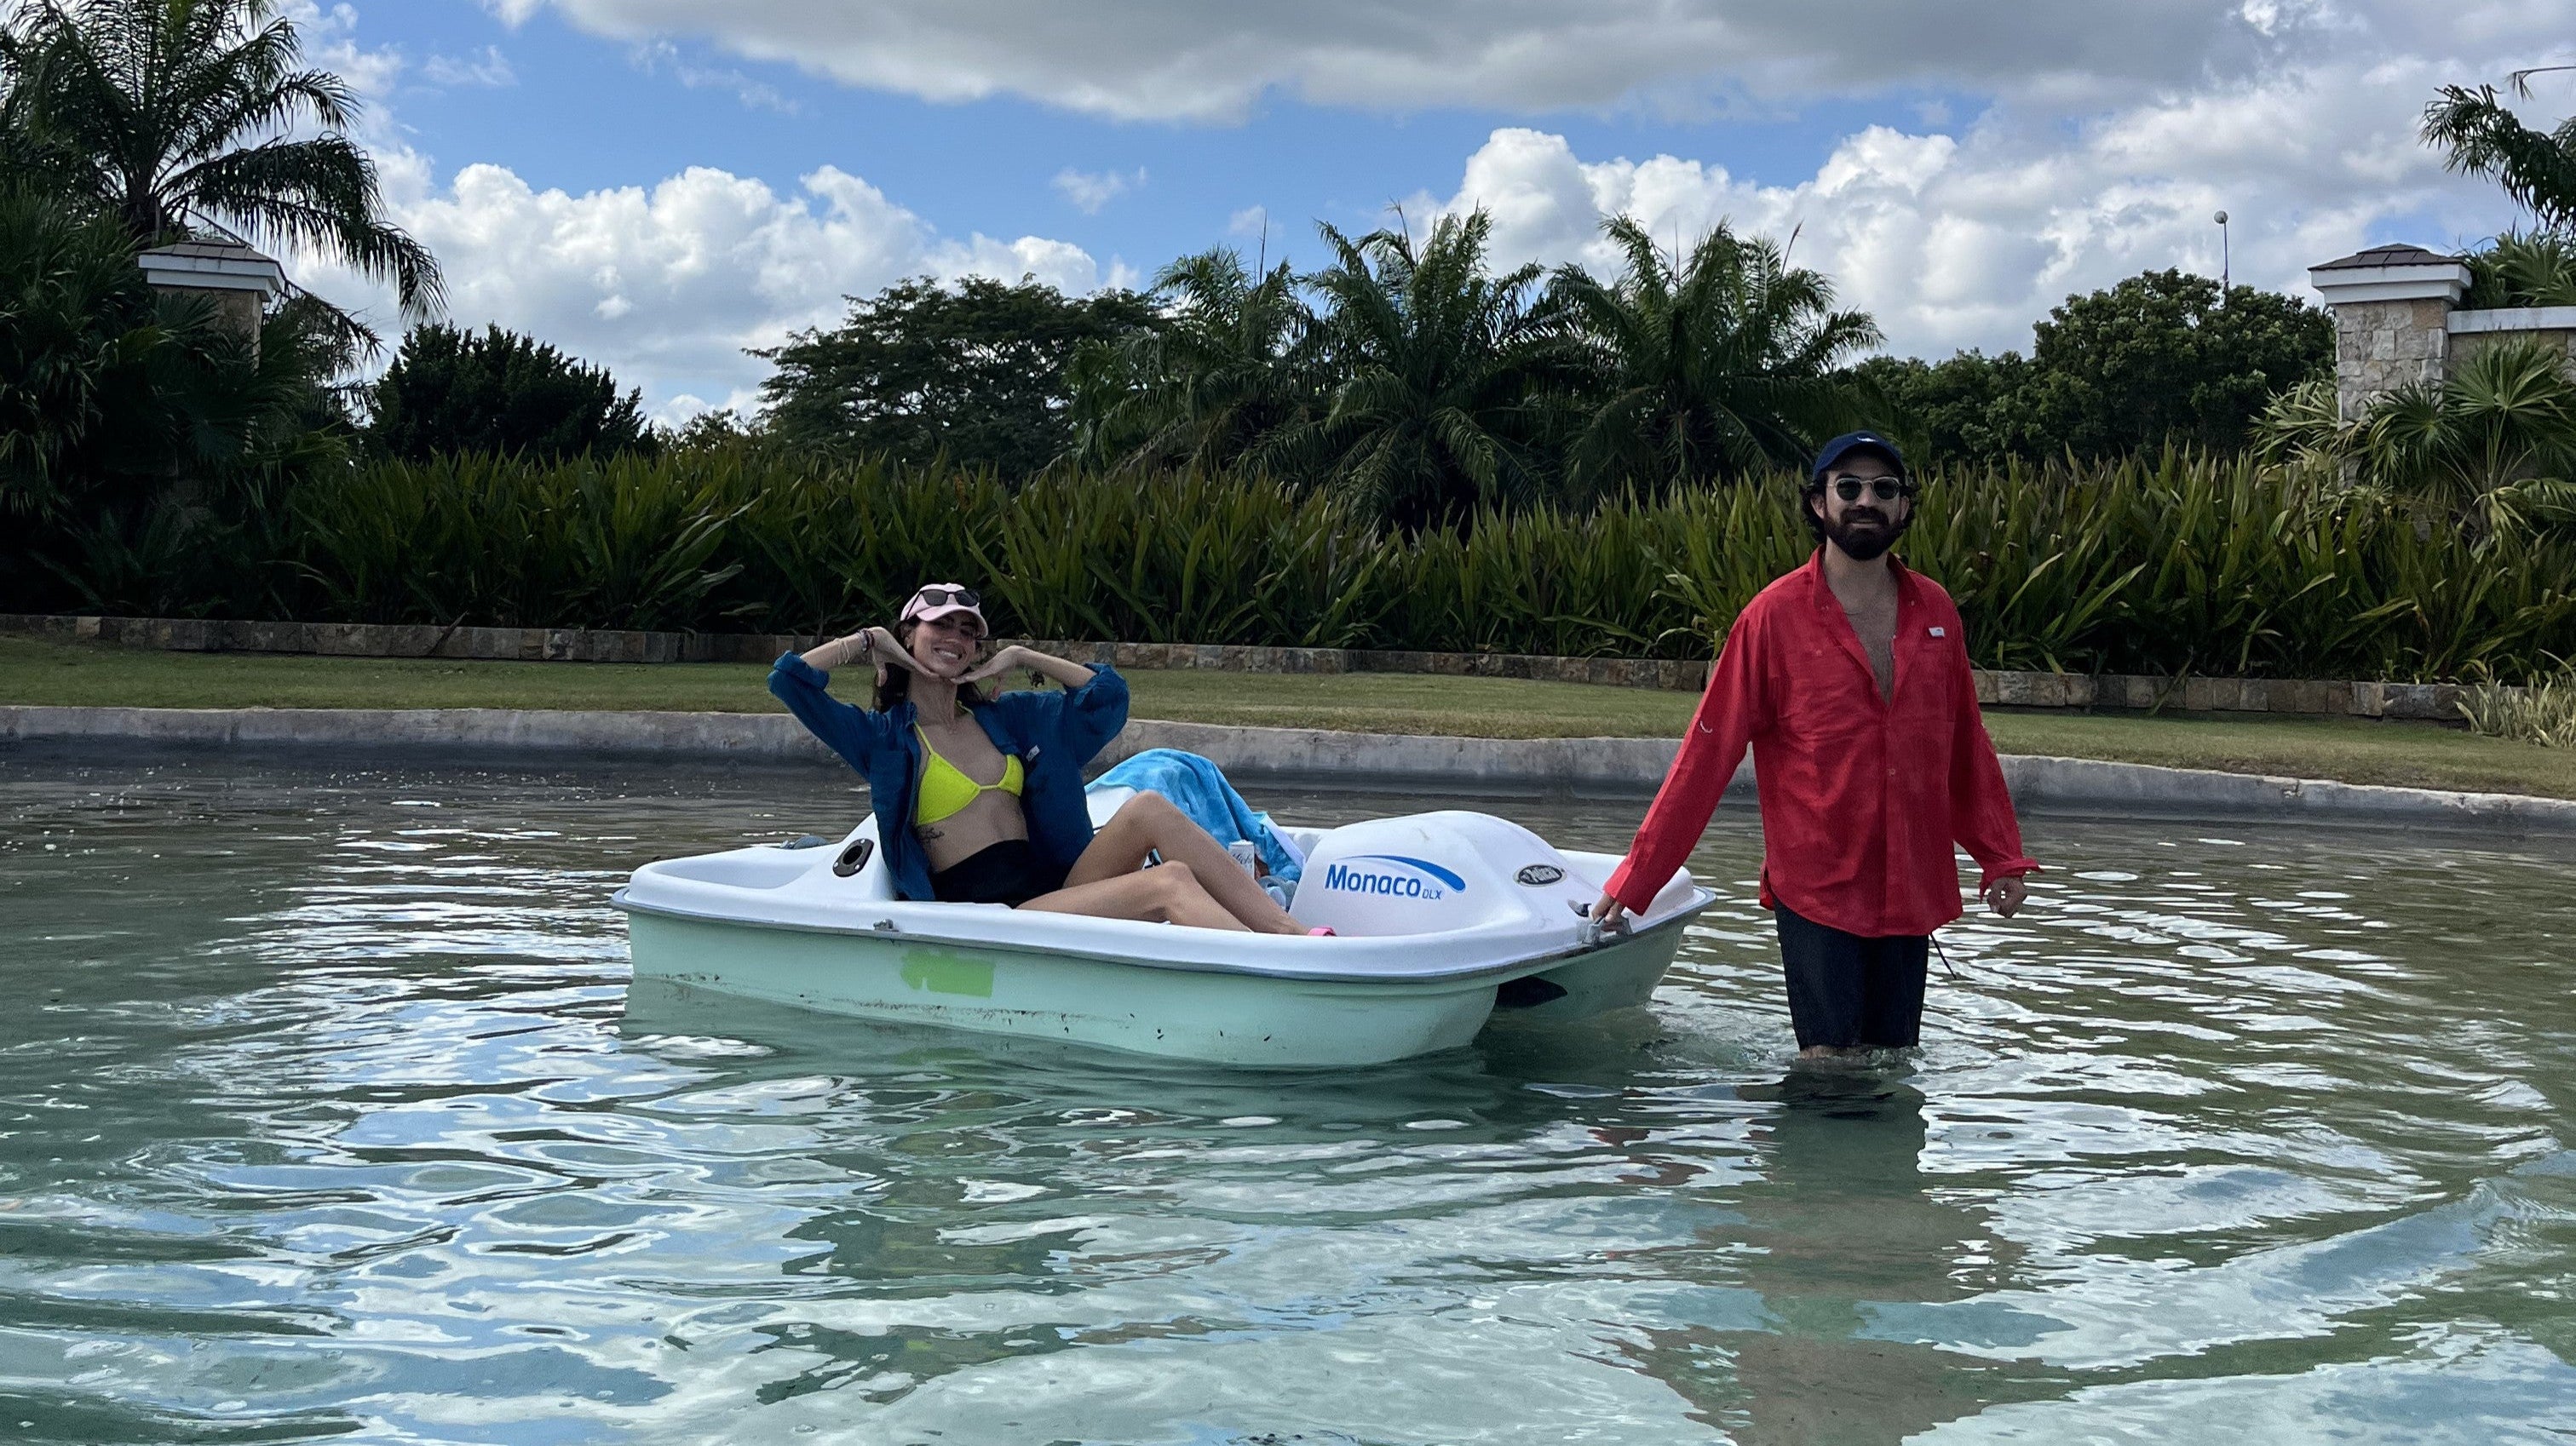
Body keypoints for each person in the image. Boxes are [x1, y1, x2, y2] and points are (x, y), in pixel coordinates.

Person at [1590, 432, 2038, 1057]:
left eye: (1884, 490)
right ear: (1818, 505)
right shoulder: (1772, 619)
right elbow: (1706, 755)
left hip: (1908, 883)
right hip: (1818, 885)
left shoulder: (1936, 613)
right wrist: (1639, 877)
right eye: (1847, 487)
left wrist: (2001, 856)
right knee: (1827, 1071)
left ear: (1904, 508)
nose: (1866, 501)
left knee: (1892, 1066)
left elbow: (1964, 745)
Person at [770, 584, 1320, 933]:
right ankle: (1271, 967)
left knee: (1150, 807)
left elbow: (1107, 700)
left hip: (1052, 889)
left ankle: (1290, 938)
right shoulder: (885, 740)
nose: (956, 638)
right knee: (1169, 883)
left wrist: (1022, 655)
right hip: (996, 914)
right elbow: (791, 682)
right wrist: (870, 641)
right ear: (909, 633)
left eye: (968, 631)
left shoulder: (1008, 718)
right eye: (941, 625)